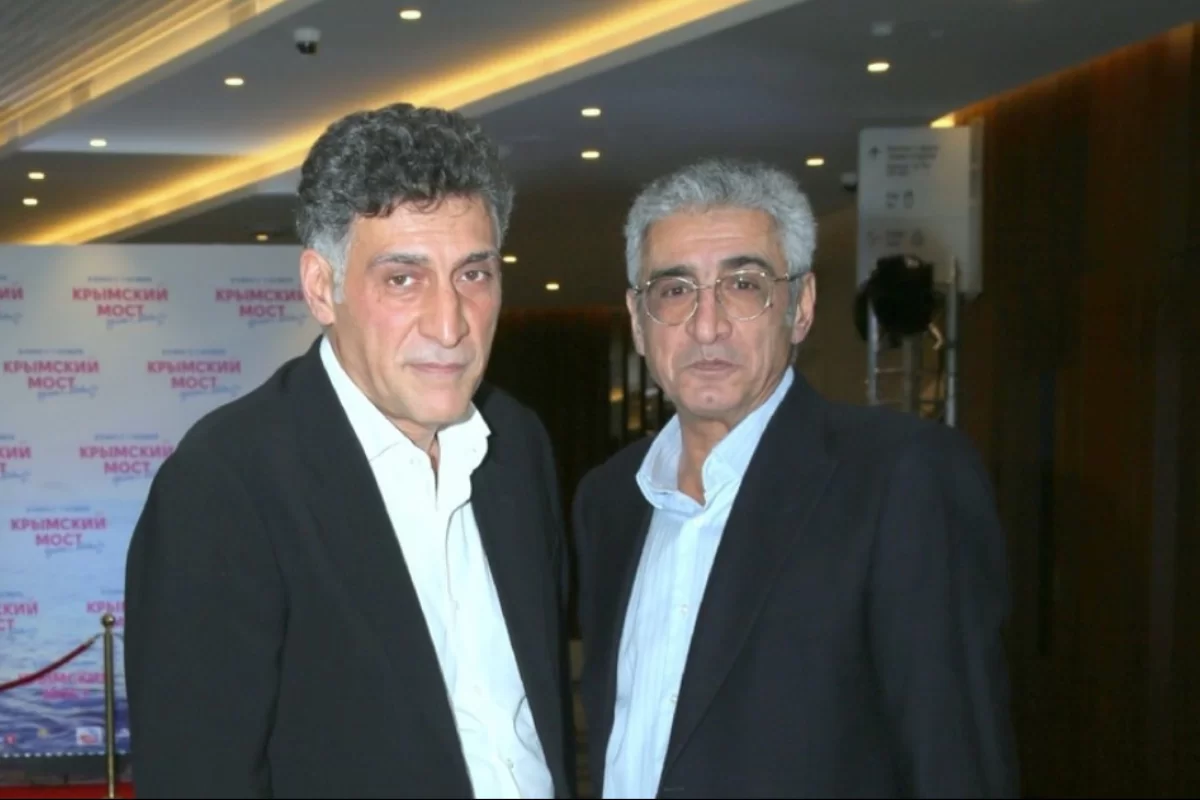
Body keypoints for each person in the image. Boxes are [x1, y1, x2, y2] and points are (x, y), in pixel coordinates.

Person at [124, 103, 574, 799]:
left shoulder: (517, 444)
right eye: (403, 279)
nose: (449, 324)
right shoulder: (225, 483)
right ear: (321, 288)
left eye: (473, 274)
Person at [573, 158, 1019, 798]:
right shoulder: (609, 501)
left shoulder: (900, 479)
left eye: (743, 285)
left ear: (800, 307)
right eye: (675, 290)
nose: (706, 324)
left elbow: (954, 764)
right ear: (639, 320)